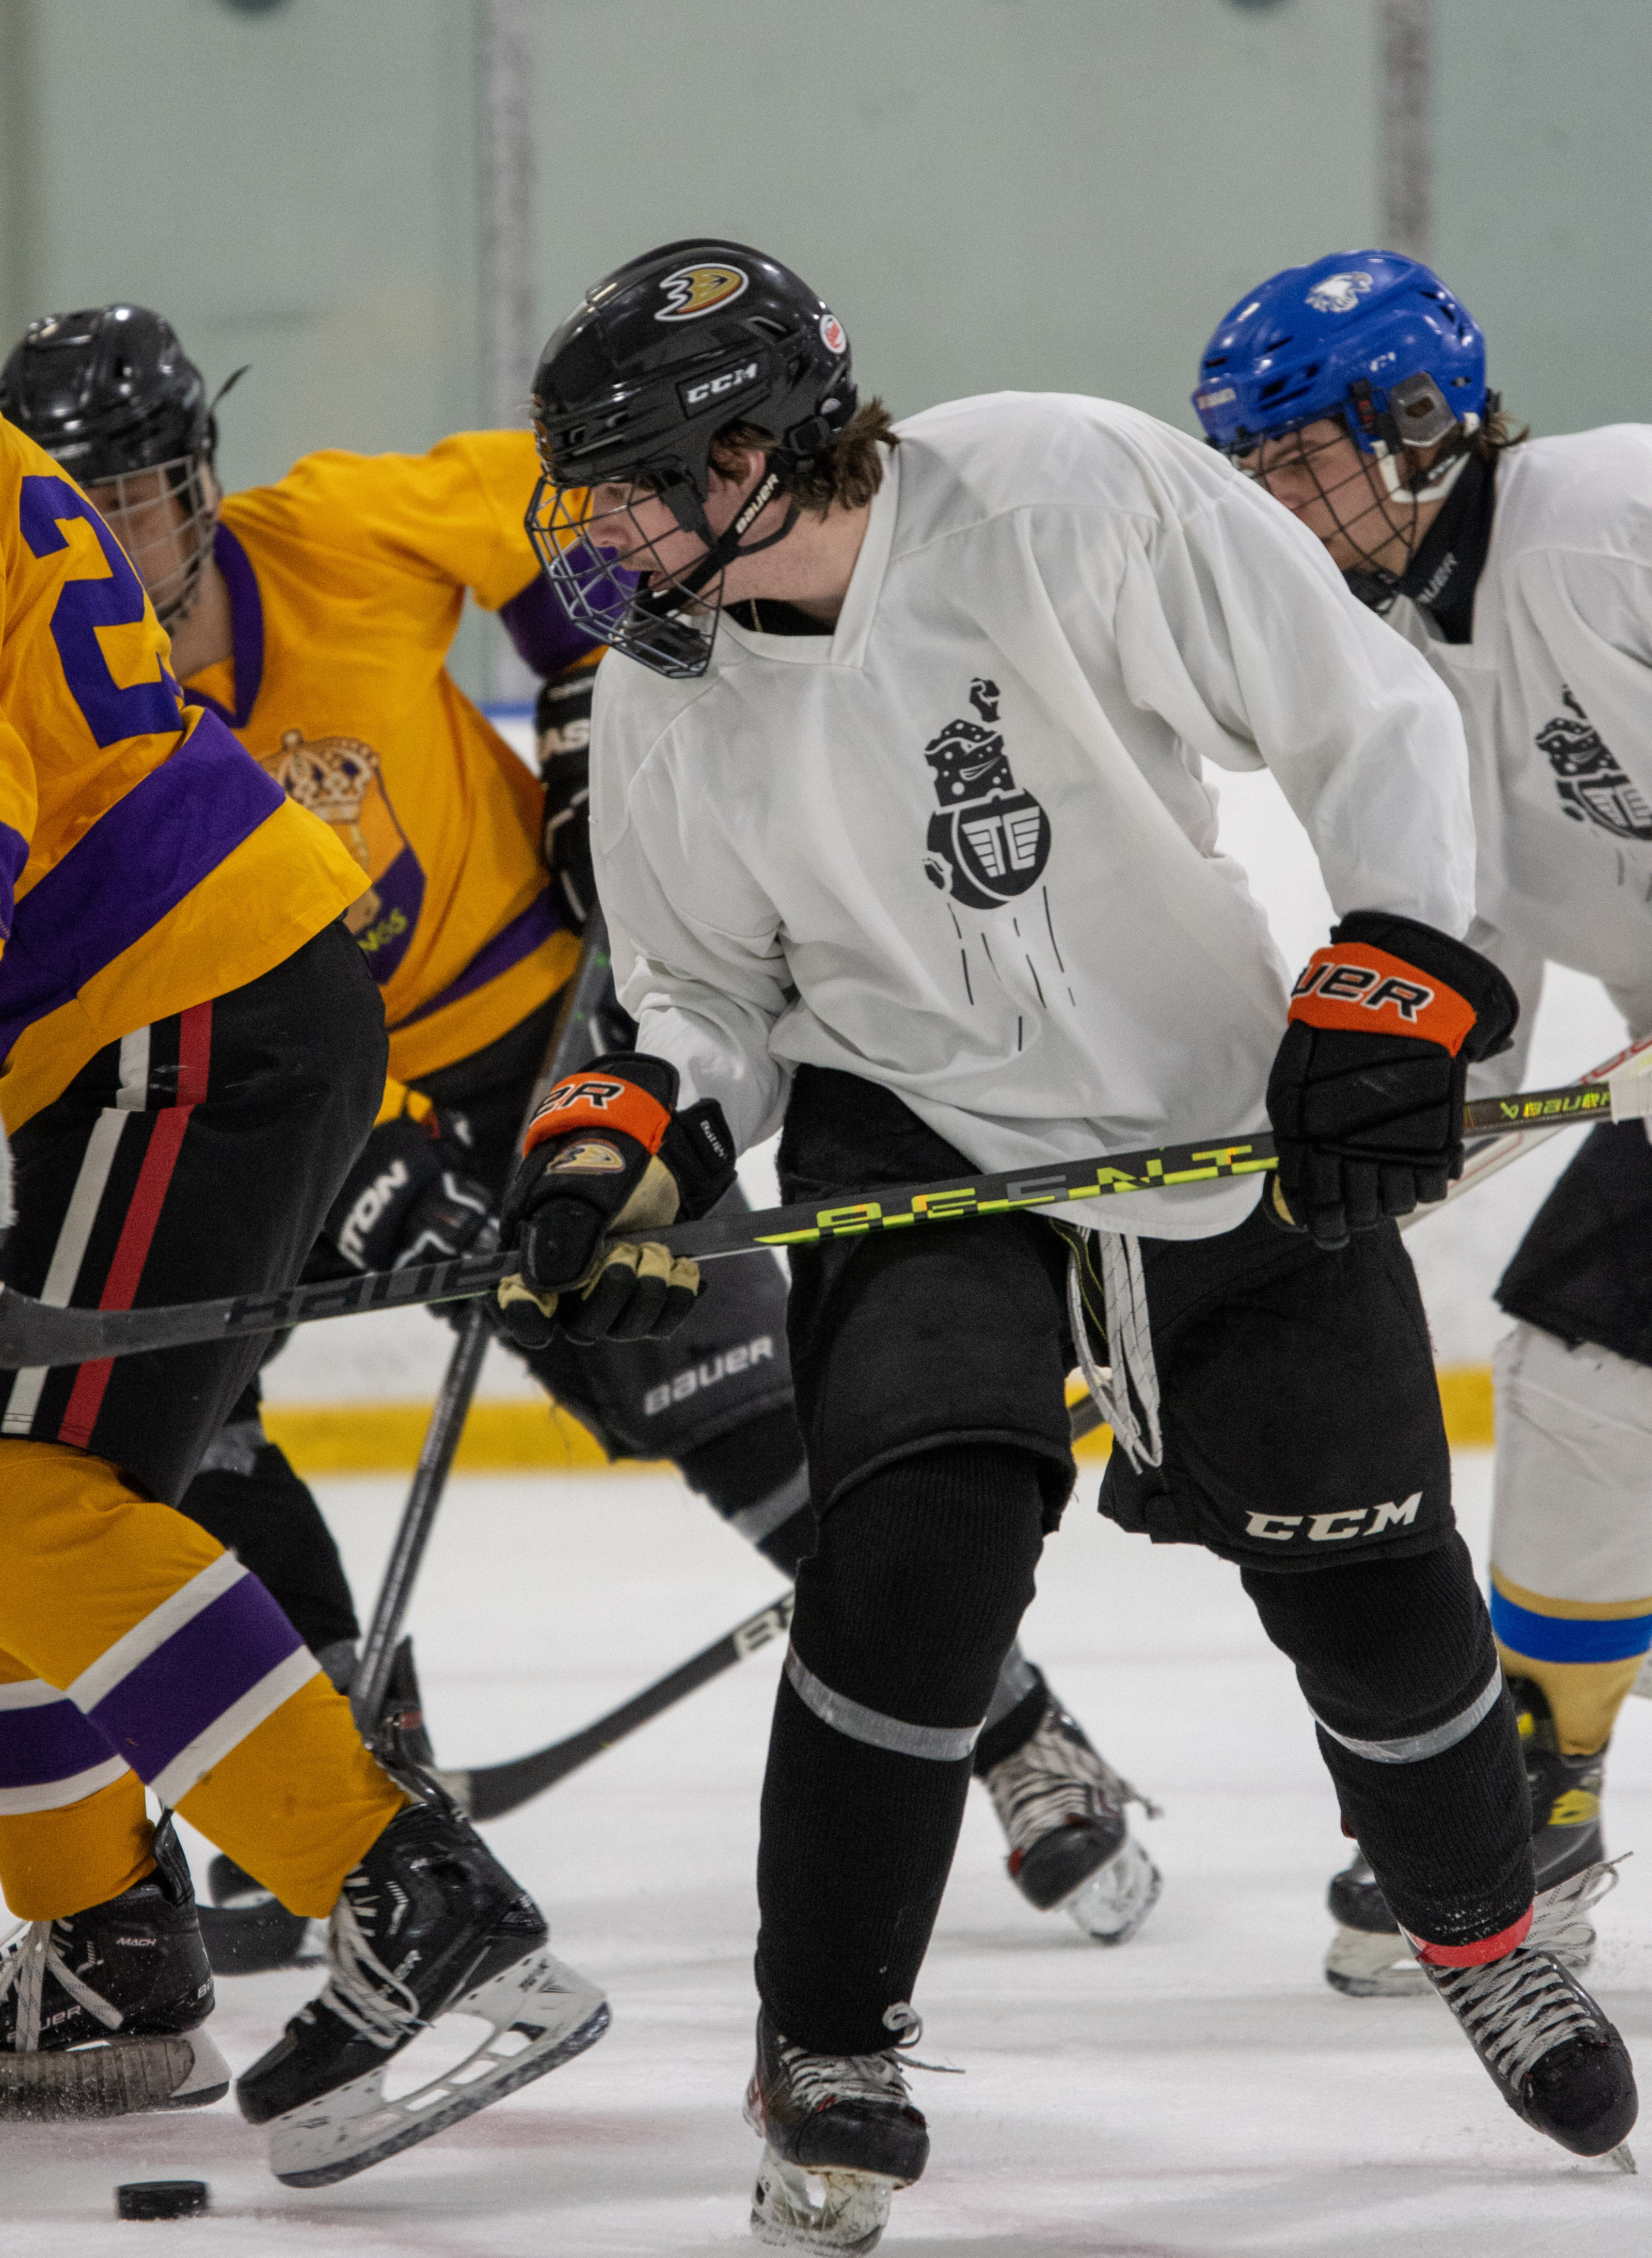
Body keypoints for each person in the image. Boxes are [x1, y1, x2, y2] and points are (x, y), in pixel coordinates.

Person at [497, 236, 1642, 2246]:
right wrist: (631, 1127)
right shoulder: (669, 691)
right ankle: (825, 2039)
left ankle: (1482, 1936)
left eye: (623, 488)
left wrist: (1394, 971)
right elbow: (699, 992)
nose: (594, 536)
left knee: (1367, 1559)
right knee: (911, 1554)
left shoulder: (1060, 487)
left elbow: (1360, 708)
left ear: (746, 458)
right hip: (912, 1126)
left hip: (1200, 1082)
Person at [0, 303, 1161, 1966]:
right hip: (270, 1094)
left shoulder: (333, 535)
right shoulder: (63, 688)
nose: (124, 543)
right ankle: (347, 1740)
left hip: (535, 1053)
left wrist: (575, 727)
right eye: (87, 507)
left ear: (202, 479)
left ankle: (1013, 1722)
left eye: (145, 499)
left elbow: (557, 523)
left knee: (725, 1393)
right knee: (170, 1432)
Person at [0, 401, 606, 2176]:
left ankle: (411, 1897)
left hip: (182, 1011)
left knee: (26, 1496)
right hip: (185, 995)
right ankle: (107, 1958)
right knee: (32, 1504)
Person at [1193, 248, 1652, 1997]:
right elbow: (1478, 983)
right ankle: (1537, 1793)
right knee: (1589, 1366)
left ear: (1416, 421)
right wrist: (1366, 1150)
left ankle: (1532, 1799)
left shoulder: (1608, 520)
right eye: (1248, 468)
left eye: (1296, 456)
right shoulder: (1397, 665)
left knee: (1595, 1359)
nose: (1271, 501)